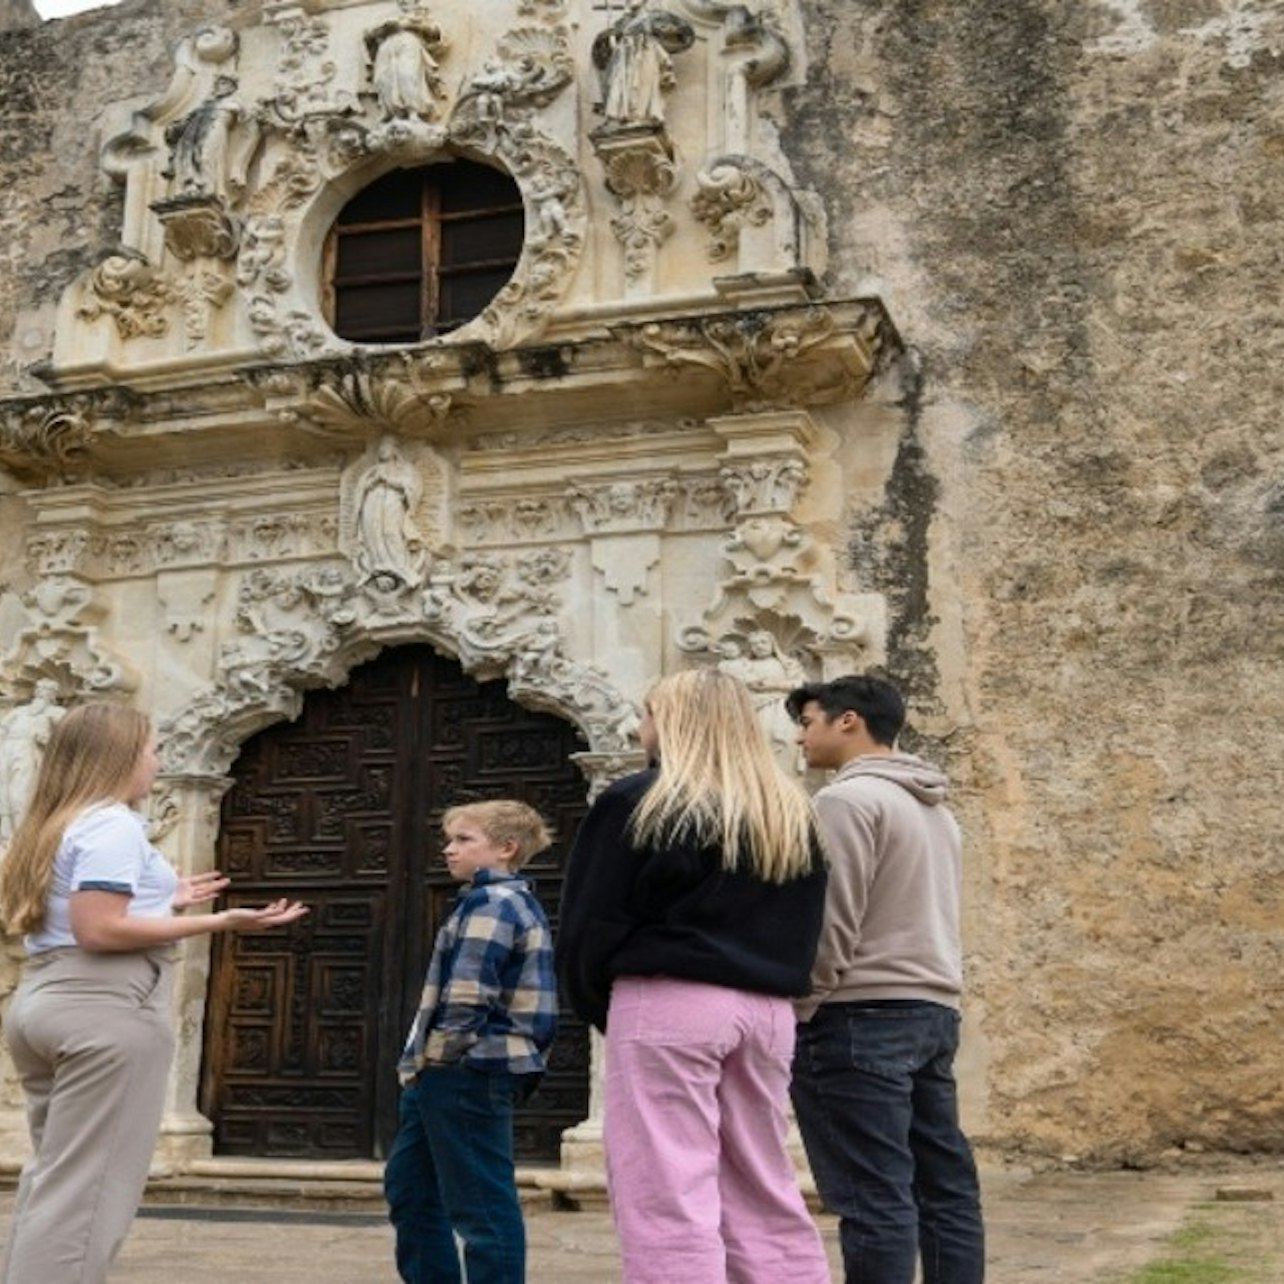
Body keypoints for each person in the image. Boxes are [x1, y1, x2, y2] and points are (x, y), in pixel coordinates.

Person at [0, 701, 308, 1284]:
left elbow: (71, 914)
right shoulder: (113, 823)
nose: (158, 762)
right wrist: (220, 923)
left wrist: (164, 898)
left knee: (58, 1184)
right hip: (104, 1006)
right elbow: (100, 929)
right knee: (91, 1195)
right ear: (118, 757)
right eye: (152, 750)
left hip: (45, 1000)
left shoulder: (55, 821)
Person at [556, 668, 831, 1284]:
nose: (638, 727)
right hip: (767, 1011)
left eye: (648, 714)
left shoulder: (639, 800)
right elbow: (808, 925)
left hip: (671, 999)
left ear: (675, 723)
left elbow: (590, 922)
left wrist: (603, 1003)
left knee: (665, 1190)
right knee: (763, 1184)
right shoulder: (789, 811)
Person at [787, 674, 985, 1284]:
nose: (800, 738)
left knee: (873, 1196)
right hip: (931, 1011)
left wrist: (802, 1004)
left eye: (809, 721)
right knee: (944, 1189)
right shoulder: (934, 809)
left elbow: (833, 918)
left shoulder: (845, 801)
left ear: (849, 721)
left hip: (857, 1015)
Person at [386, 800, 558, 1284]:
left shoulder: (494, 902)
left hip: (470, 1069)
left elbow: (467, 996)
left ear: (506, 848)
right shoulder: (486, 900)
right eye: (449, 839)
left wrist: (437, 1059)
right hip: (451, 1071)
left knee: (481, 1204)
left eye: (464, 840)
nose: (448, 849)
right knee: (411, 1190)